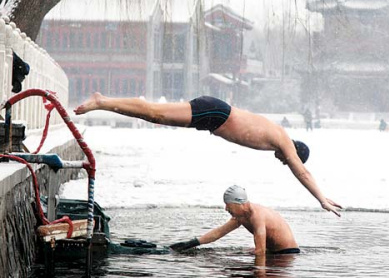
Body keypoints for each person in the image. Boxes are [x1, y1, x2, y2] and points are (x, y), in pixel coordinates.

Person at [75, 93, 342, 216]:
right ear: (294, 152)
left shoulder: (280, 139)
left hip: (213, 119)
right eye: (288, 160)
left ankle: (105, 103)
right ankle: (102, 102)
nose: (285, 162)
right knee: (155, 113)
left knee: (154, 115)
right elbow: (302, 172)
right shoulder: (284, 142)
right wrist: (321, 199)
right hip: (216, 113)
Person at [169, 185, 300, 256]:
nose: (226, 209)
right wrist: (190, 243)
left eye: (228, 205)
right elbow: (218, 233)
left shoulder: (257, 216)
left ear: (240, 203)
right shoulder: (242, 216)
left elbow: (260, 252)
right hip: (273, 252)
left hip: (287, 254)